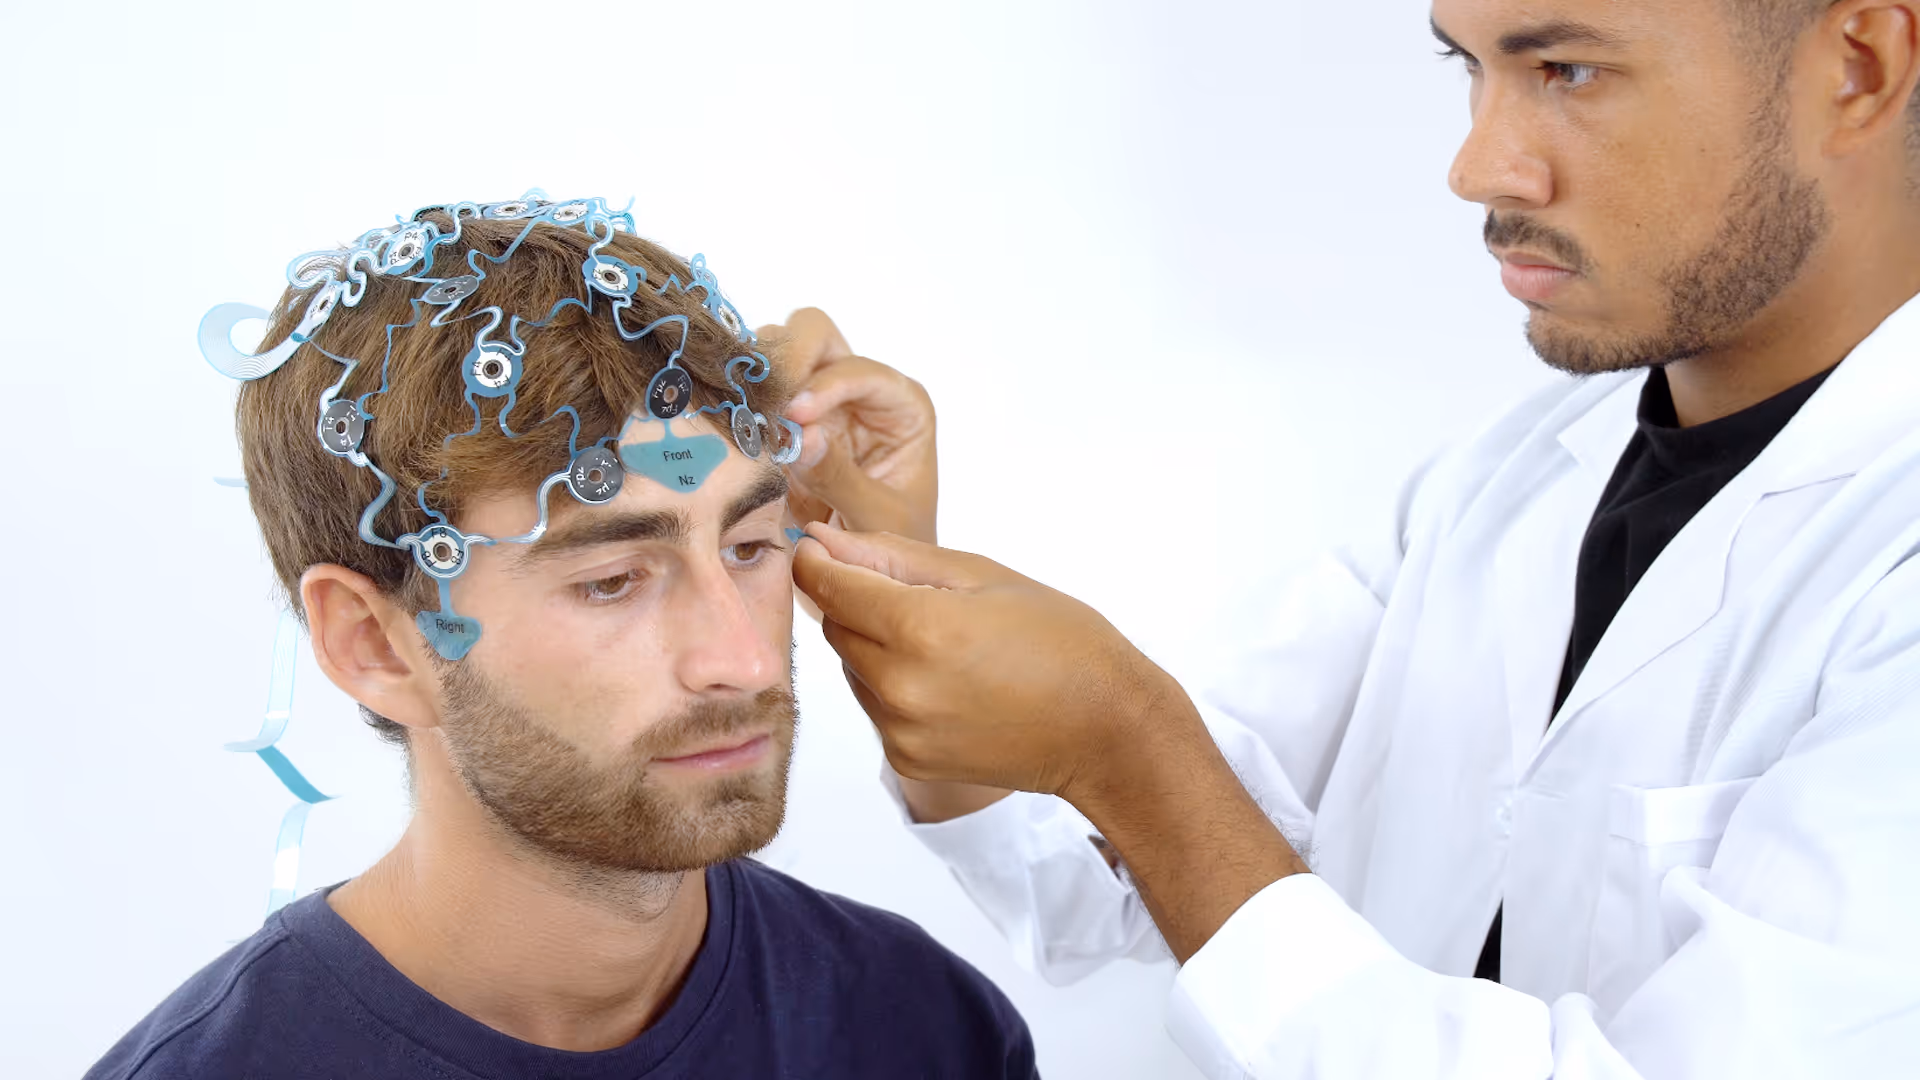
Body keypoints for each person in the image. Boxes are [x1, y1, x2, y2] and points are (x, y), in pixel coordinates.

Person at [772, 0, 1920, 1076]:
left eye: (1568, 69)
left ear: (1859, 67)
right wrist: (887, 562)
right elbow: (1096, 876)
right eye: (1468, 67)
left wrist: (1130, 746)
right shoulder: (1512, 478)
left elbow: (1159, 791)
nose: (1477, 167)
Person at [88, 203, 1037, 1080]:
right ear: (375, 646)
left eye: (750, 547)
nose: (746, 662)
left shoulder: (923, 1029)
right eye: (611, 581)